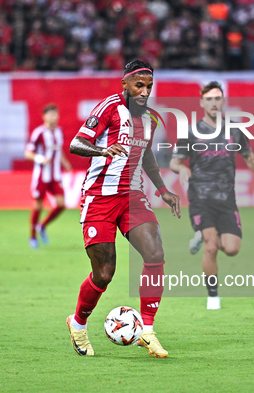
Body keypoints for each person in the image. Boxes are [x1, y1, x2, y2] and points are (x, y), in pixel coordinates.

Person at [66, 60, 181, 357]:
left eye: (149, 87)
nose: (144, 92)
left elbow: (147, 157)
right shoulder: (108, 108)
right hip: (100, 198)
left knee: (155, 254)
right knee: (104, 273)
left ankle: (148, 331)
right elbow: (77, 144)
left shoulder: (151, 120)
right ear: (125, 85)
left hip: (132, 195)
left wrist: (164, 190)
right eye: (138, 85)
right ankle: (78, 324)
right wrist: (102, 150)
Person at [169, 81, 254, 310]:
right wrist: (183, 168)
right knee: (211, 247)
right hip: (200, 197)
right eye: (209, 99)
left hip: (226, 198)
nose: (214, 103)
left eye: (218, 98)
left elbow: (249, 156)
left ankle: (203, 235)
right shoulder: (191, 131)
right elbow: (174, 162)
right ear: (202, 102)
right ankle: (213, 296)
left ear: (223, 102)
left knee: (232, 248)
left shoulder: (234, 130)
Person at [24, 103, 72, 248]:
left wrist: (65, 162)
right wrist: (40, 159)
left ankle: (42, 226)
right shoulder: (39, 132)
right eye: (50, 114)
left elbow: (58, 150)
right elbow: (28, 153)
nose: (53, 117)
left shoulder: (59, 132)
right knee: (38, 206)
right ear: (44, 116)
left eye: (55, 114)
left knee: (62, 205)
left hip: (56, 175)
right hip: (41, 176)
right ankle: (32, 237)